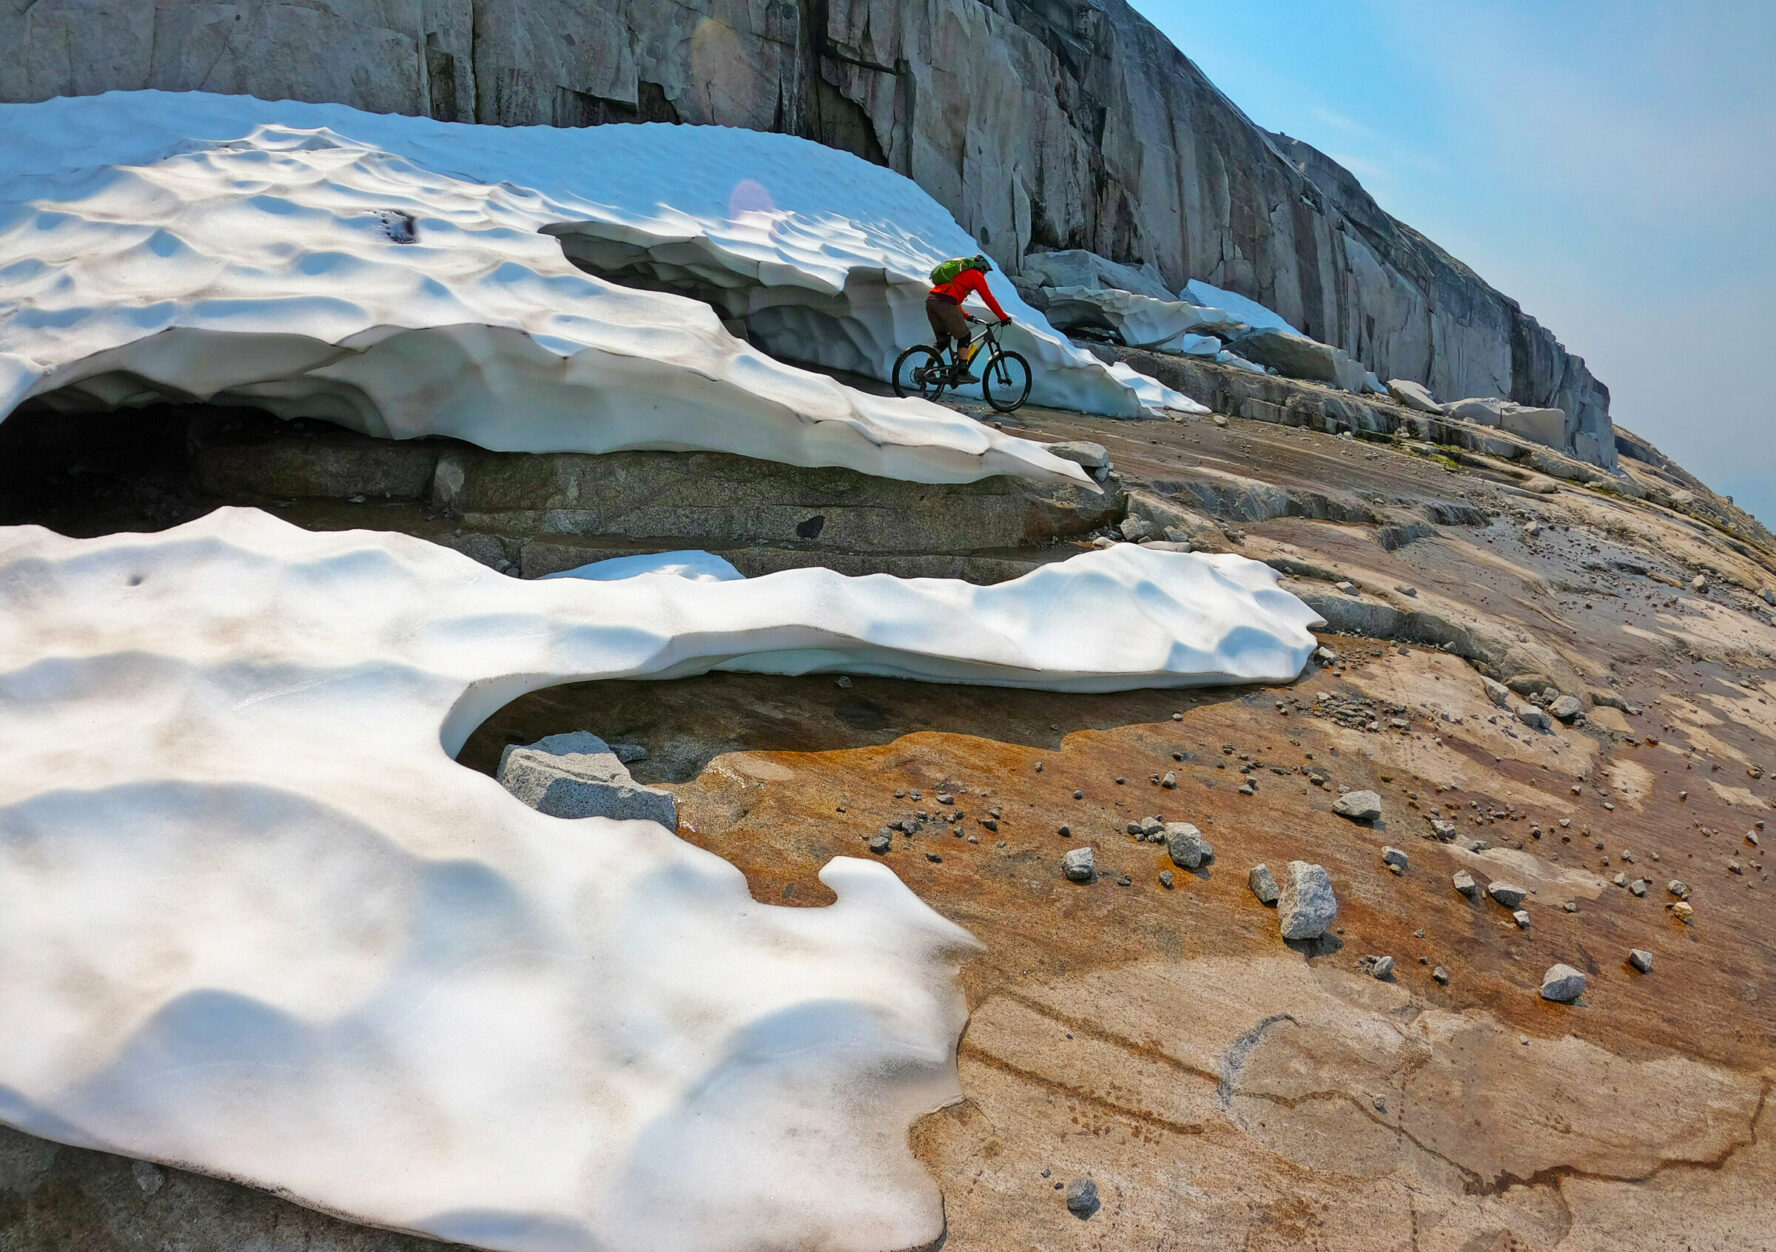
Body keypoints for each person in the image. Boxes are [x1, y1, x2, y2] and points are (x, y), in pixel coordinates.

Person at [926, 253, 1010, 384]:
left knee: (942, 341)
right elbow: (988, 298)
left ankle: (926, 370)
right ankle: (962, 373)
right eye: (985, 272)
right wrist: (1003, 317)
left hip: (931, 301)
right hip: (945, 303)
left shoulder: (959, 275)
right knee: (965, 336)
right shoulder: (976, 275)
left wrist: (967, 316)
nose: (985, 275)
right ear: (982, 268)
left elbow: (954, 300)